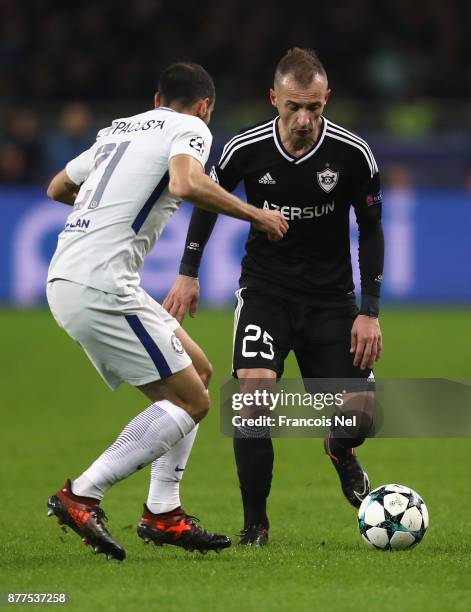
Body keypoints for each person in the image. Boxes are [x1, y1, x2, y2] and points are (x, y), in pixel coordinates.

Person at [45, 62, 288, 561]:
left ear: (157, 99)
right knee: (194, 402)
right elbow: (184, 184)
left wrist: (103, 203)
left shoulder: (118, 131)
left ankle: (163, 512)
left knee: (199, 372)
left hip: (74, 275)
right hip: (101, 284)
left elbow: (56, 188)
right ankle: (82, 494)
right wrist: (254, 215)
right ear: (206, 107)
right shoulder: (191, 127)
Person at [163, 49, 384, 546]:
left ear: (326, 99)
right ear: (273, 99)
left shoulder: (354, 154)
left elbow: (371, 230)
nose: (304, 120)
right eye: (292, 108)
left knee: (362, 418)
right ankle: (255, 526)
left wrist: (369, 312)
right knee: (253, 400)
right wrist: (188, 272)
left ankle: (340, 449)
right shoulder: (246, 147)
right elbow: (204, 200)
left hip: (332, 299)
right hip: (267, 292)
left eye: (314, 108)